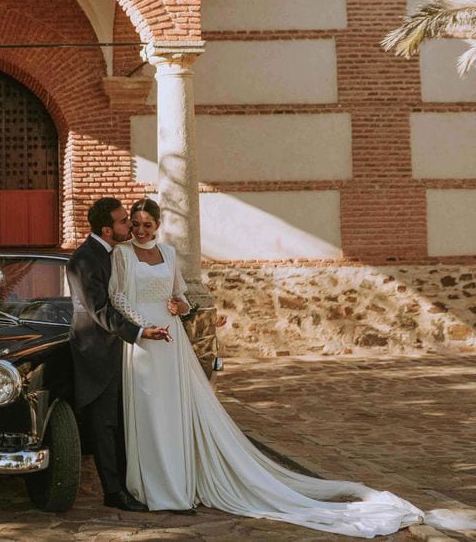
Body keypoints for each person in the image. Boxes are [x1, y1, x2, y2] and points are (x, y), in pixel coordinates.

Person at [109, 197, 425, 537]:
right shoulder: (122, 254)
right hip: (144, 341)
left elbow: (183, 297)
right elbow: (118, 297)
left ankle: (180, 484)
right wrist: (147, 327)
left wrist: (179, 305)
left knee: (175, 412)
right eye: (136, 224)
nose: (141, 231)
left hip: (172, 343)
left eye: (148, 225)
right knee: (149, 410)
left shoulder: (169, 254)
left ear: (158, 225)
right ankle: (158, 489)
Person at [67, 197, 172, 512]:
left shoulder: (114, 253)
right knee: (105, 424)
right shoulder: (84, 258)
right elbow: (98, 309)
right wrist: (139, 332)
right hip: (97, 351)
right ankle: (113, 492)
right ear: (107, 229)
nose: (131, 225)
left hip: (122, 351)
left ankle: (134, 483)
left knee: (123, 421)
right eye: (125, 221)